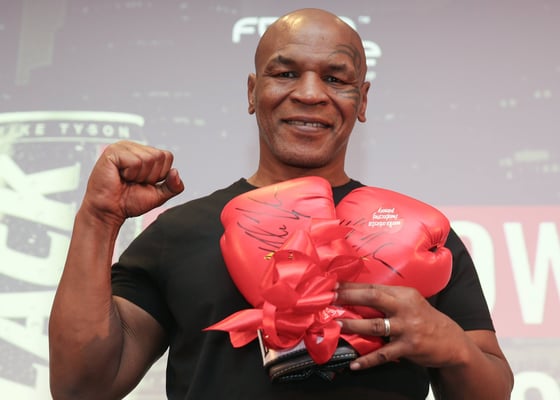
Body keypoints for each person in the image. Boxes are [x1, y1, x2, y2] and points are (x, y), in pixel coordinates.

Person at [48, 8, 514, 400]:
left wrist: (448, 343)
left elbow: (493, 390)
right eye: (286, 73)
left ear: (362, 100)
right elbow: (80, 387)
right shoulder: (180, 232)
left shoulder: (415, 231)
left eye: (335, 78)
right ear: (253, 92)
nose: (309, 94)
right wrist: (98, 218)